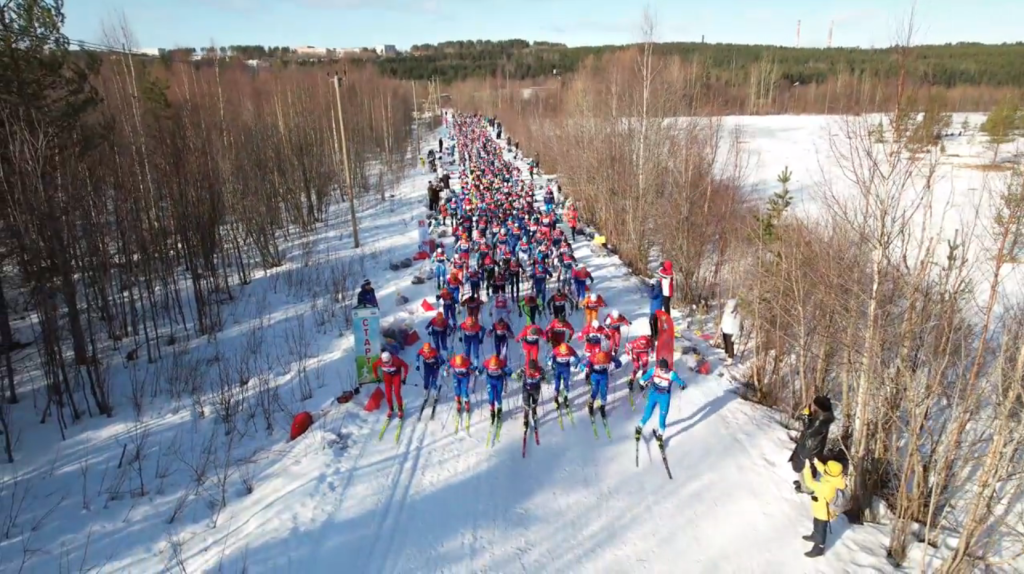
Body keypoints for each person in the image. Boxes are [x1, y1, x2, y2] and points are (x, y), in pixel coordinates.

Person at [635, 358, 687, 447]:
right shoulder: (654, 371)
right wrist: (644, 383)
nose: (663, 371)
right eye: (662, 369)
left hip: (664, 398)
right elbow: (641, 380)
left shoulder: (671, 374)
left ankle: (660, 437)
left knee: (662, 419)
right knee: (647, 414)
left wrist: (682, 386)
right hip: (653, 395)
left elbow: (681, 382)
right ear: (659, 367)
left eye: (665, 369)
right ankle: (639, 428)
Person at [801, 458, 847, 558]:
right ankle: (814, 535)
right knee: (816, 524)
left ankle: (819, 548)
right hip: (820, 509)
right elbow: (825, 472)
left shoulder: (826, 486)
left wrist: (807, 468)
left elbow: (810, 483)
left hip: (823, 512)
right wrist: (817, 463)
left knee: (821, 529)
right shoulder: (835, 479)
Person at [790, 396, 835, 493]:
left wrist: (805, 417)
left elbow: (809, 431)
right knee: (804, 467)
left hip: (810, 449)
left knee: (805, 468)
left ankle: (807, 489)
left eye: (814, 405)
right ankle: (803, 483)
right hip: (811, 447)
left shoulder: (821, 421)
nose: (812, 406)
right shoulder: (823, 417)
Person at [578, 341, 621, 419]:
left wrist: (615, 366)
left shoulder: (609, 355)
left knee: (603, 391)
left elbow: (618, 362)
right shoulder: (594, 356)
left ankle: (603, 407)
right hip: (595, 375)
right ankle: (590, 404)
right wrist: (585, 368)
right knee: (595, 390)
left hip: (603, 375)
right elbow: (584, 363)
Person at [371, 351, 409, 419]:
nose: (387, 364)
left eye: (388, 362)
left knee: (397, 393)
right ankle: (390, 409)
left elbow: (406, 366)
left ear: (390, 359)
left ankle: (400, 409)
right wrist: (377, 377)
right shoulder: (380, 361)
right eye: (385, 363)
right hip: (387, 376)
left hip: (396, 375)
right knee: (388, 394)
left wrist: (404, 377)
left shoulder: (396, 360)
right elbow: (374, 366)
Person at [482, 354, 512, 424]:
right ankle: (492, 411)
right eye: (492, 367)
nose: (494, 368)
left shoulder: (501, 363)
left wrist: (511, 374)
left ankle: (499, 410)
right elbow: (482, 367)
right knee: (491, 397)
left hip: (499, 381)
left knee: (498, 397)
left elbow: (508, 370)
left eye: (495, 367)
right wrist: (478, 371)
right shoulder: (487, 362)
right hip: (490, 381)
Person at [549, 342, 579, 409]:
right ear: (560, 349)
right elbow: (550, 357)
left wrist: (577, 361)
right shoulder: (556, 350)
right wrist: (551, 363)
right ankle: (556, 398)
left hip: (566, 367)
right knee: (557, 383)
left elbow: (576, 356)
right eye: (563, 352)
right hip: (557, 367)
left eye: (566, 352)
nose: (564, 353)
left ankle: (565, 397)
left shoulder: (570, 349)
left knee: (566, 382)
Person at [520, 359, 544, 426]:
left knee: (534, 403)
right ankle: (526, 418)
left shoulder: (540, 370)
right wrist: (518, 376)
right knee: (526, 405)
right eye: (531, 369)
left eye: (534, 369)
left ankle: (534, 412)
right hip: (526, 389)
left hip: (536, 389)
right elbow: (518, 374)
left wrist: (545, 378)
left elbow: (544, 377)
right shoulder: (525, 369)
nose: (532, 371)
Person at [720, 298, 742, 364]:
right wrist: (721, 326)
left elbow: (737, 326)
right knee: (726, 344)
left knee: (730, 346)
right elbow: (723, 320)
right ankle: (726, 355)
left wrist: (735, 335)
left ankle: (730, 359)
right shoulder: (726, 311)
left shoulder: (736, 315)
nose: (727, 305)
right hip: (725, 330)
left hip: (731, 333)